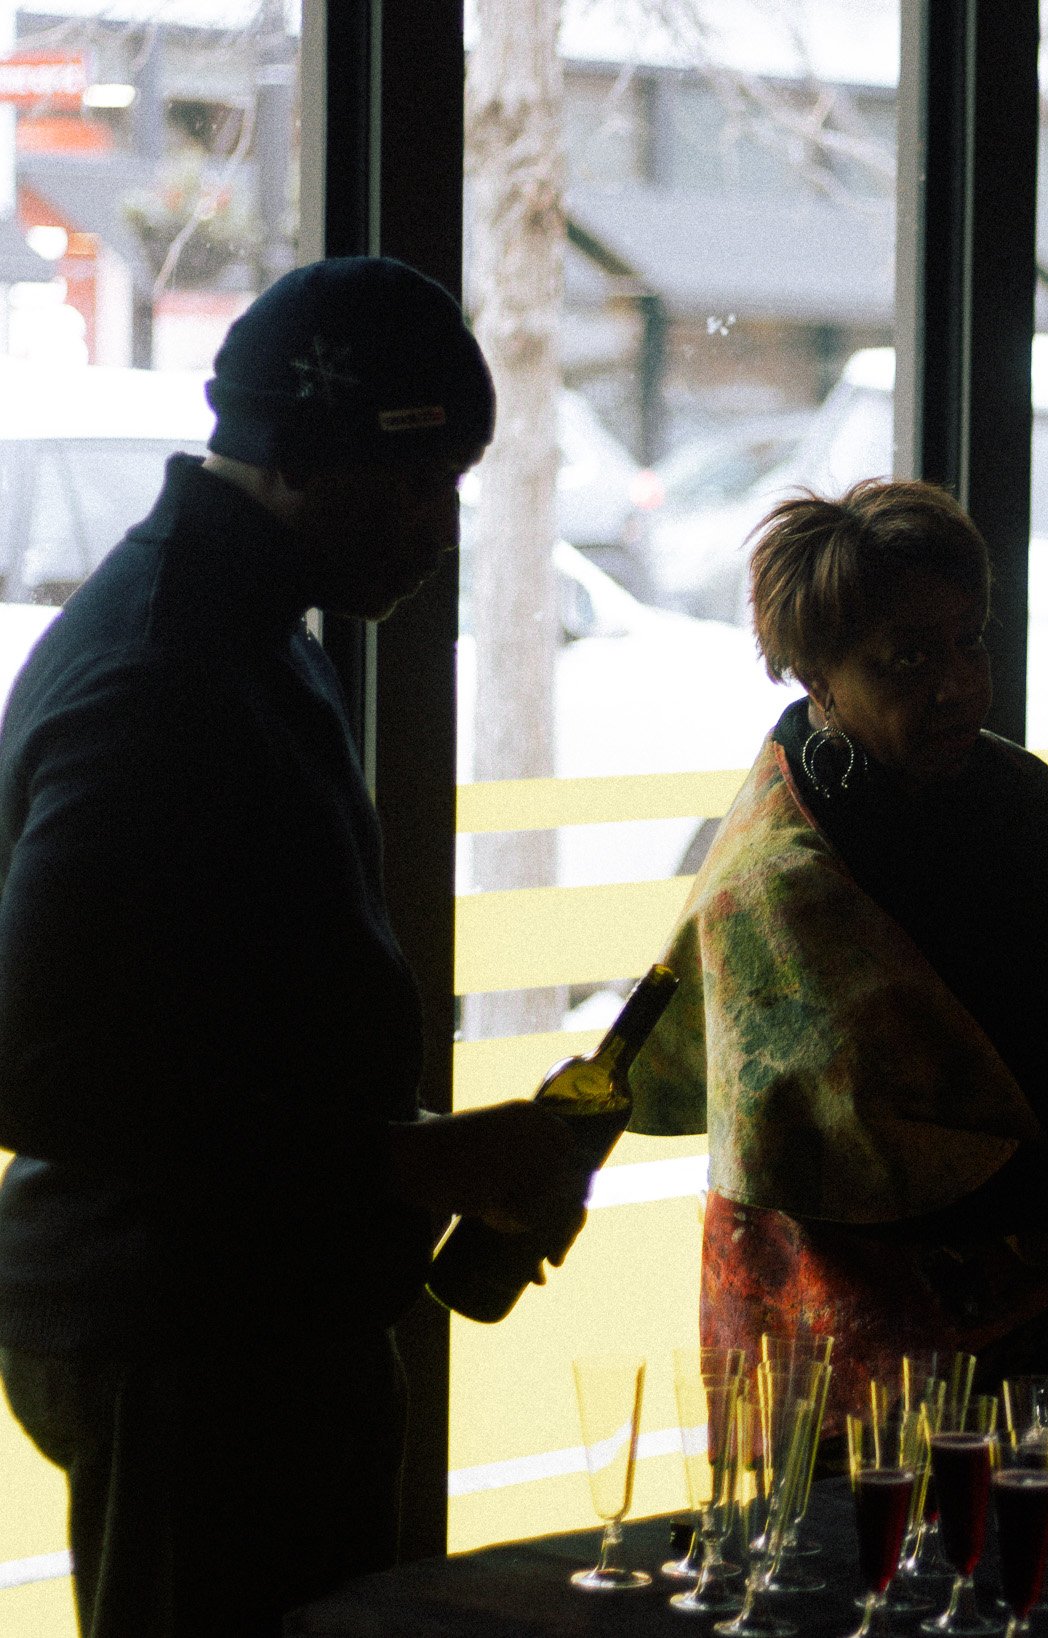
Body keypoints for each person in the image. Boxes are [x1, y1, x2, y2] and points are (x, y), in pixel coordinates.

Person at [0, 257, 591, 1638]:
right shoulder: (161, 677)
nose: (441, 527)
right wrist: (412, 1162)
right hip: (187, 1345)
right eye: (416, 483)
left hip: (226, 1329)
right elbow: (37, 1070)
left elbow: (222, 1019)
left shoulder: (237, 629)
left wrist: (421, 1154)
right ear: (305, 459)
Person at [630, 478, 1048, 1410]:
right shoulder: (779, 884)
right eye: (908, 659)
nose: (959, 684)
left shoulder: (1012, 791)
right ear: (818, 676)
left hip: (1046, 1311)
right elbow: (872, 1153)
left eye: (968, 642)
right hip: (859, 1357)